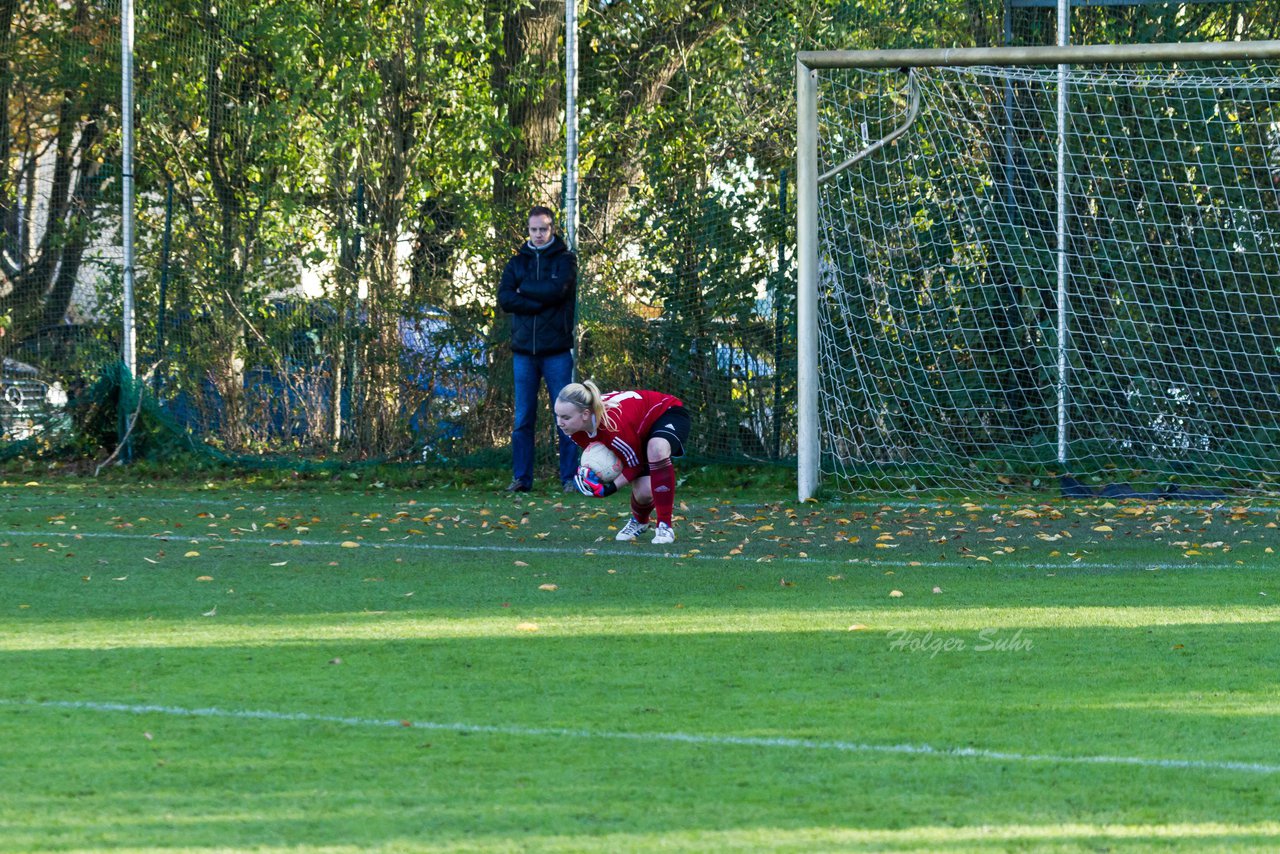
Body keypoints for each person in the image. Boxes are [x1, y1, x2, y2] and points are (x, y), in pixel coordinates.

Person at [497, 205, 579, 493]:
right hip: (523, 354)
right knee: (523, 418)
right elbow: (506, 298)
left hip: (556, 351)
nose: (539, 234)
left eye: (543, 228)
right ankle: (522, 478)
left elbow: (558, 292)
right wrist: (539, 297)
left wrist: (525, 290)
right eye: (534, 229)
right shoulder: (516, 263)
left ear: (552, 229)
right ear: (528, 230)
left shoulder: (566, 260)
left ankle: (570, 478)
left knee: (567, 417)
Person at [554, 380, 690, 545]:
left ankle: (665, 526)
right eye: (557, 415)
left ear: (584, 414)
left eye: (565, 417)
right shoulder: (574, 431)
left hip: (666, 412)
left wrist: (608, 489)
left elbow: (635, 466)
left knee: (657, 448)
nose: (559, 422)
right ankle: (639, 521)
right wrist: (590, 473)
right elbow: (622, 457)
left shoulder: (613, 427)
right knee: (645, 492)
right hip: (637, 431)